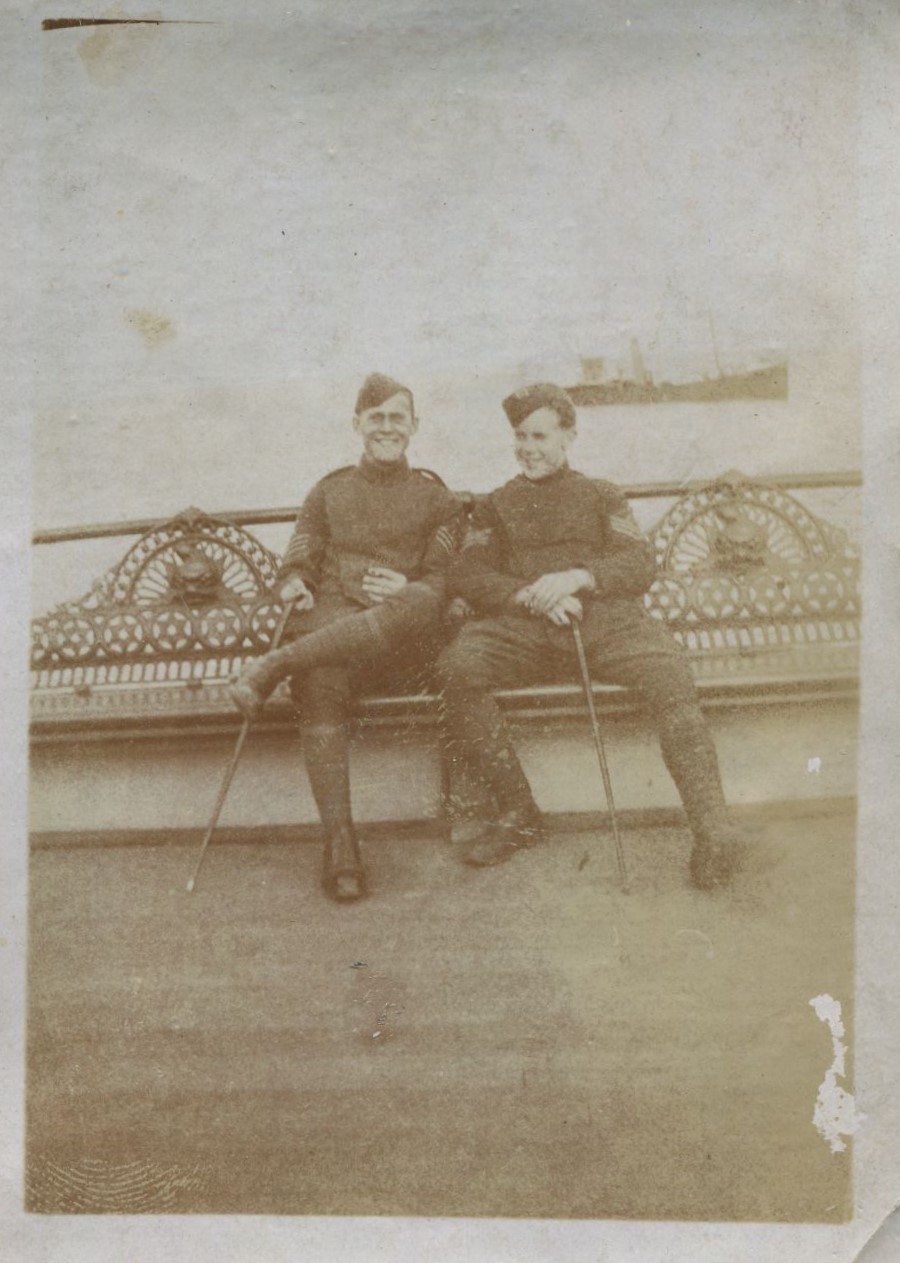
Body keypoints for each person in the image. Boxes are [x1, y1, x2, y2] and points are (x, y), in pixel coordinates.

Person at [435, 382, 743, 891]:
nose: (528, 447)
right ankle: (519, 812)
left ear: (568, 436)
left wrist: (580, 578)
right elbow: (469, 574)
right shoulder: (494, 505)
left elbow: (639, 562)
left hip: (605, 625)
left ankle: (713, 831)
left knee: (668, 671)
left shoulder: (602, 494)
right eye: (520, 436)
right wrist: (532, 595)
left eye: (539, 435)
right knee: (456, 668)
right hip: (524, 629)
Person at [230, 373, 462, 903]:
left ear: (414, 426)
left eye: (396, 418)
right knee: (321, 676)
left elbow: (446, 577)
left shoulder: (436, 498)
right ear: (357, 425)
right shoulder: (330, 490)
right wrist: (295, 583)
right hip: (338, 640)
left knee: (422, 601)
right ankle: (341, 845)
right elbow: (300, 554)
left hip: (404, 646)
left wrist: (408, 586)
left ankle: (272, 666)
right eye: (375, 418)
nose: (386, 428)